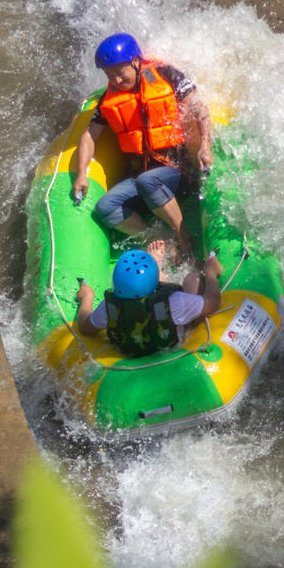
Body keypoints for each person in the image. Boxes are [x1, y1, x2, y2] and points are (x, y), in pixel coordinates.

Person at [72, 33, 213, 259]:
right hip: (141, 177)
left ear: (137, 62)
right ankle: (161, 241)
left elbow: (198, 107)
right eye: (110, 76)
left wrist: (204, 142)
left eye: (120, 73)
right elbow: (90, 135)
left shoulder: (166, 76)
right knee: (105, 207)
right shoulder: (109, 99)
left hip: (178, 172)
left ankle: (183, 236)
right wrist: (81, 174)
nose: (116, 81)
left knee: (148, 181)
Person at [76, 240, 222, 358]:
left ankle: (156, 264)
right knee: (194, 279)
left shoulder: (109, 308)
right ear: (156, 287)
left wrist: (87, 297)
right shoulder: (174, 301)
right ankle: (156, 265)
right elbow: (213, 303)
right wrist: (210, 271)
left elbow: (84, 326)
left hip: (132, 350)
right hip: (175, 344)